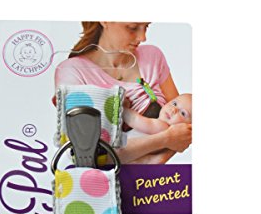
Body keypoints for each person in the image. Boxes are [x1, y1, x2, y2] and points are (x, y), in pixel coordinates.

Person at [54, 21, 192, 164]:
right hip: (102, 176)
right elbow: (84, 154)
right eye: (132, 27)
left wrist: (159, 158)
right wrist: (164, 142)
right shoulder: (72, 71)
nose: (143, 37)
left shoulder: (152, 57)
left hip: (150, 177)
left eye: (146, 26)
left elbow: (183, 132)